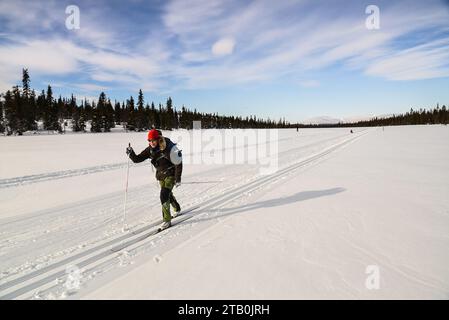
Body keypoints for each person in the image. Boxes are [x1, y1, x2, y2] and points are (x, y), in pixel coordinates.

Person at [126, 129, 182, 230]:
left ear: (158, 139)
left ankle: (167, 220)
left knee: (164, 194)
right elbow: (137, 159)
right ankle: (177, 208)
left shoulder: (167, 147)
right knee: (167, 194)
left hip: (171, 174)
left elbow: (178, 162)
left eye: (153, 140)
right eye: (149, 141)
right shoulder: (150, 150)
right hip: (161, 175)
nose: (151, 142)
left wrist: (178, 178)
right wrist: (131, 153)